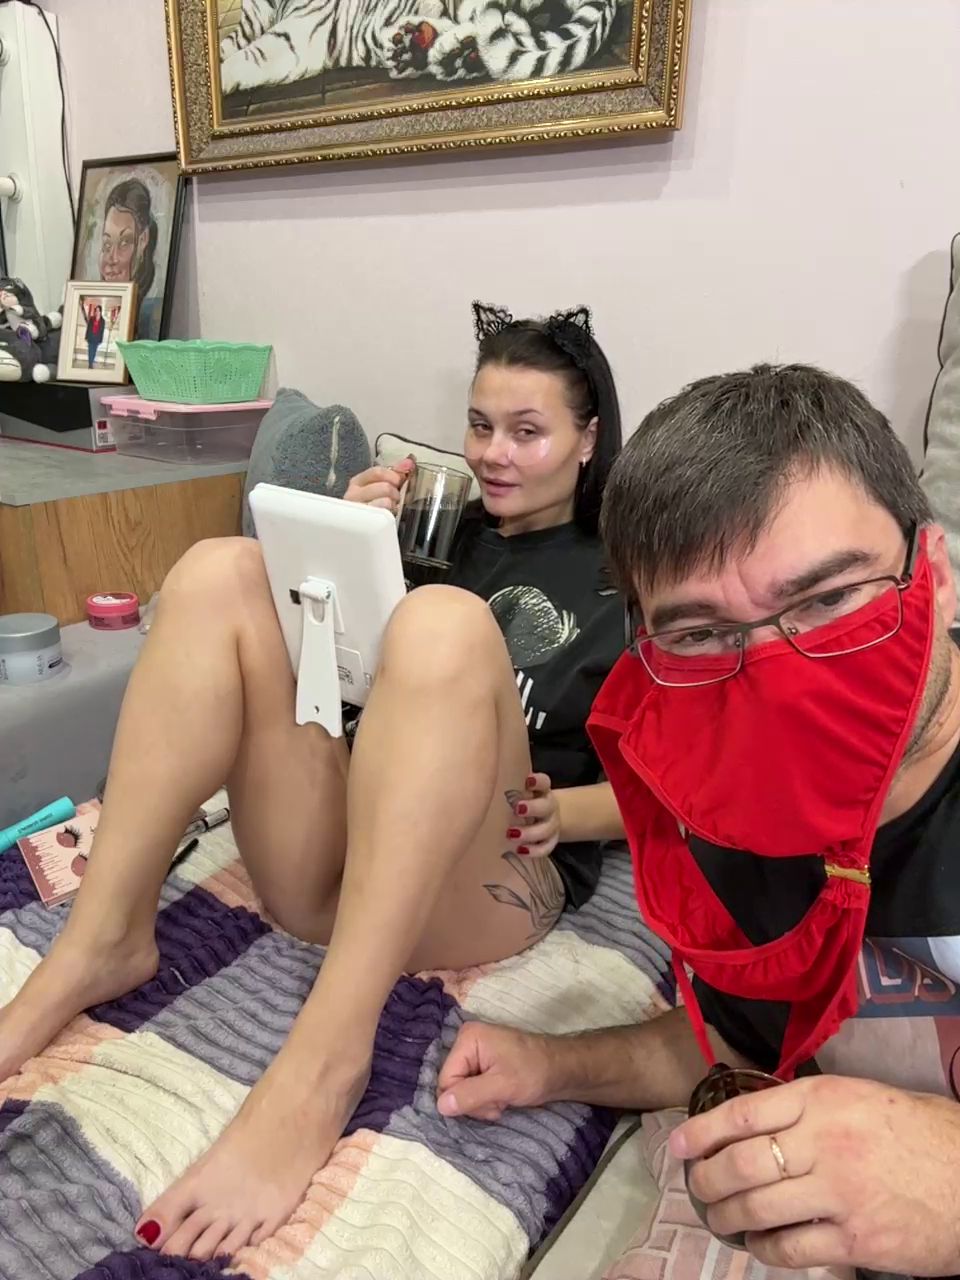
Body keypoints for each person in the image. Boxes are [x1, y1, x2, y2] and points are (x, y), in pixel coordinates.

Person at [0, 302, 626, 1262]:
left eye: (527, 432)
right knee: (219, 569)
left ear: (588, 440)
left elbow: (679, 787)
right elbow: (326, 691)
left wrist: (567, 811)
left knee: (444, 626)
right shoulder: (433, 530)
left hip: (490, 878)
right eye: (480, 425)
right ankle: (100, 942)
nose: (494, 454)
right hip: (338, 858)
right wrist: (341, 540)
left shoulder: (628, 576)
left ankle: (327, 1059)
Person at [436, 363, 960, 1278]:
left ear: (938, 575)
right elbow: (738, 1038)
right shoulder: (729, 807)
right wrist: (554, 1065)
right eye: (702, 633)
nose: (784, 680)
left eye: (829, 600)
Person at [98, 177, 161, 339]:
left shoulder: (150, 315)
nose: (112, 259)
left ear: (143, 240)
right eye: (107, 244)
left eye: (124, 242)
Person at [84, 302, 105, 368]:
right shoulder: (91, 318)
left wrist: (101, 340)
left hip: (97, 338)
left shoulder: (102, 321)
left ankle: (91, 362)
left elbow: (102, 331)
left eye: (98, 310)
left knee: (94, 351)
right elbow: (88, 328)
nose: (97, 312)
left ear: (100, 311)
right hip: (91, 336)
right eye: (96, 310)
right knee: (90, 351)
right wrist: (86, 336)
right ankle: (90, 364)